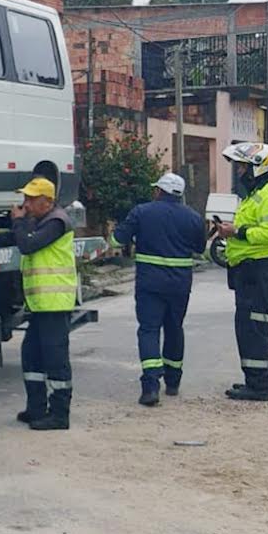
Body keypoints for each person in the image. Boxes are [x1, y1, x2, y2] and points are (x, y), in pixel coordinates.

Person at [0, 177, 78, 430]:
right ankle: (36, 408)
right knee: (31, 356)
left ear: (48, 201)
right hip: (41, 304)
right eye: (25, 199)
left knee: (55, 359)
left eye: (31, 199)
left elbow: (27, 245)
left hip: (55, 303)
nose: (25, 204)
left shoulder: (57, 221)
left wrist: (19, 221)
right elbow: (13, 237)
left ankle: (59, 414)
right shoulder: (40, 220)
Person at [112, 172, 207, 406]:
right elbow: (200, 247)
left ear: (159, 191)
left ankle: (151, 386)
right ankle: (173, 382)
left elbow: (117, 240)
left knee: (149, 330)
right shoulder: (193, 217)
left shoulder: (142, 212)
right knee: (175, 329)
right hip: (180, 284)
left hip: (149, 284)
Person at [216, 142, 268, 401]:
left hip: (260, 269)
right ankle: (263, 381)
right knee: (257, 325)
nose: (239, 172)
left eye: (243, 167)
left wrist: (236, 231)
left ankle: (258, 386)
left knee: (253, 327)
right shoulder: (254, 196)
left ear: (258, 168)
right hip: (251, 269)